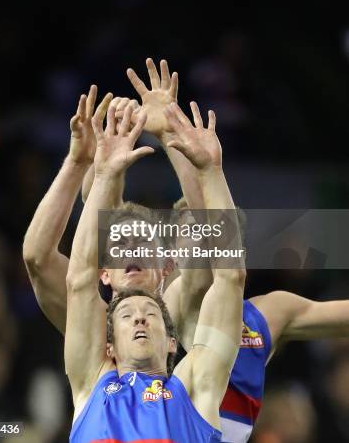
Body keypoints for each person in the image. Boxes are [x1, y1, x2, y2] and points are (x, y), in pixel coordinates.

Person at [23, 58, 349, 443]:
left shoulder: (206, 348)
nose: (140, 319)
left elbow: (219, 267)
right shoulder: (104, 339)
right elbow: (65, 262)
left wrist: (182, 146)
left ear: (167, 265)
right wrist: (91, 166)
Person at [65, 99, 245, 442]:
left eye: (150, 312)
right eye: (127, 316)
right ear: (109, 348)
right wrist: (102, 174)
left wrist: (212, 172)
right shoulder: (91, 384)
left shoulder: (195, 387)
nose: (140, 318)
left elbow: (230, 278)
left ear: (172, 343)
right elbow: (78, 281)